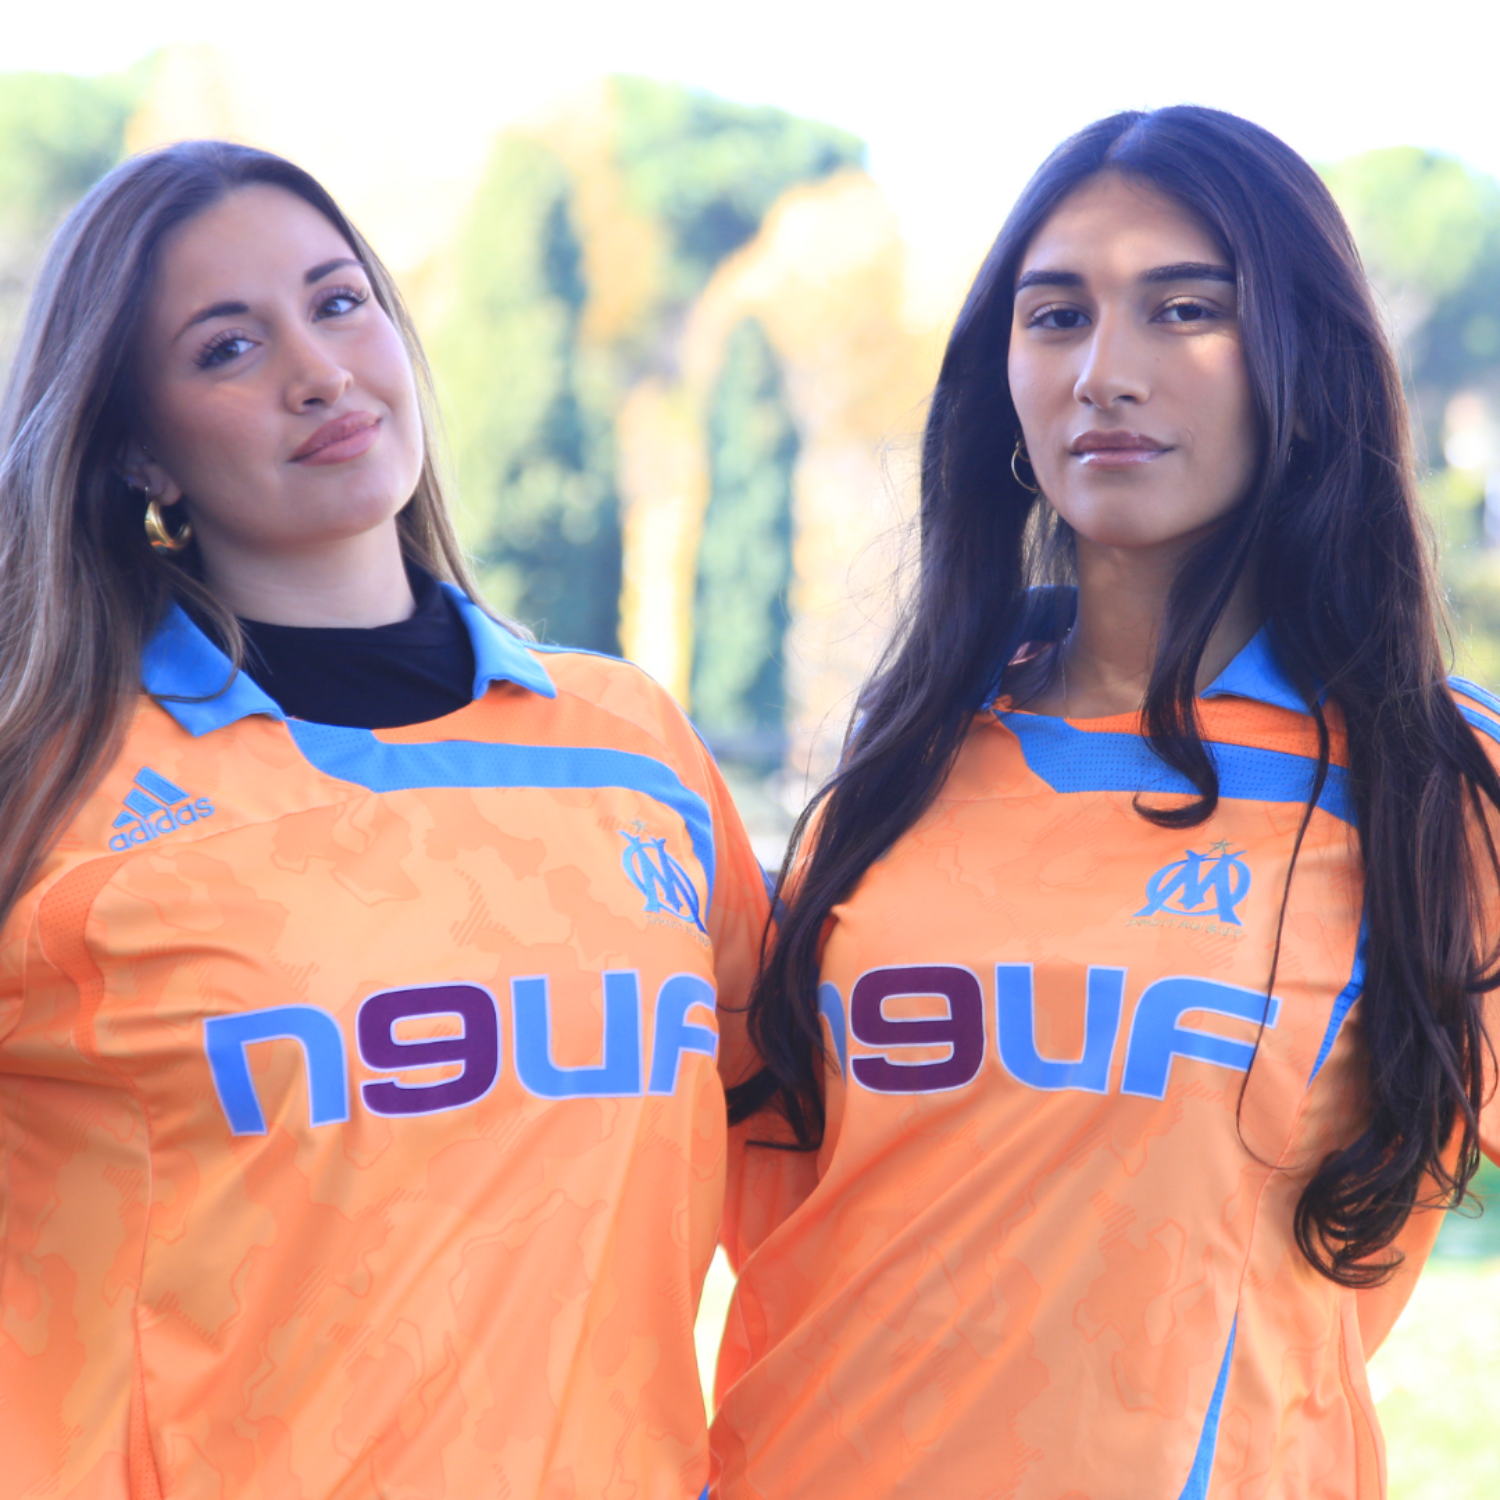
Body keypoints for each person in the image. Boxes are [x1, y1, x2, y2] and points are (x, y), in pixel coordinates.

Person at [710, 106, 1500, 1499]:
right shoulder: (895, 778)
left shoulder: (1431, 784)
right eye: (1056, 315)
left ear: (1302, 363)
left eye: (1185, 311)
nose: (1105, 374)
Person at [0, 139, 767, 1499]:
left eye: (339, 302)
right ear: (134, 449)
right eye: (227, 348)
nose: (318, 371)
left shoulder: (633, 744)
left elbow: (793, 1150)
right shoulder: (53, 792)